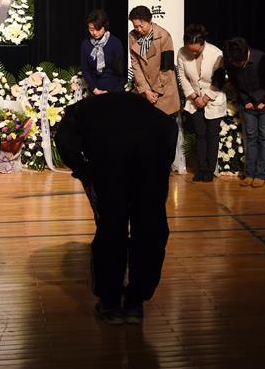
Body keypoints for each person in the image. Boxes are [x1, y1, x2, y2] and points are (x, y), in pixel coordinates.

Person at [54, 92, 178, 325]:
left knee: (111, 229)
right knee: (149, 230)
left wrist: (82, 169)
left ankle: (110, 303)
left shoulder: (78, 112)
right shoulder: (147, 112)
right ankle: (135, 303)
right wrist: (161, 166)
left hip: (111, 162)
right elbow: (170, 130)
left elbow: (65, 140)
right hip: (152, 160)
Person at [221, 36, 265, 187]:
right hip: (246, 104)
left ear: (247, 53)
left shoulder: (262, 59)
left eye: (240, 62)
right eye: (235, 63)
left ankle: (260, 174)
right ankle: (249, 173)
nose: (238, 65)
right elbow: (234, 83)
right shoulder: (230, 61)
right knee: (250, 137)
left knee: (264, 137)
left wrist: (263, 100)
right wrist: (246, 101)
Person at [177, 25, 226, 182]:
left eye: (196, 51)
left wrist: (205, 98)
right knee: (199, 134)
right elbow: (182, 76)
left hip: (213, 98)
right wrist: (192, 95)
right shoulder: (182, 53)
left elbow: (219, 80)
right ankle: (202, 168)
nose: (192, 53)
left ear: (203, 43)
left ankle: (210, 170)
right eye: (190, 49)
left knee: (212, 135)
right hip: (194, 100)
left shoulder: (216, 54)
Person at [127, 6, 179, 117]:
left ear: (150, 21)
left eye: (141, 26)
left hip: (163, 90)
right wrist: (146, 90)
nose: (139, 30)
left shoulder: (164, 36)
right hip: (145, 91)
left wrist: (155, 91)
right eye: (135, 26)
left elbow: (167, 68)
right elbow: (135, 65)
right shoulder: (132, 36)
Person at [80, 9, 126, 95]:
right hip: (94, 89)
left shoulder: (115, 43)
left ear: (105, 26)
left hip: (114, 89)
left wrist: (108, 90)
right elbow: (85, 70)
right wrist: (95, 89)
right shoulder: (85, 44)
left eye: (98, 29)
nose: (94, 33)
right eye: (91, 29)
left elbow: (119, 71)